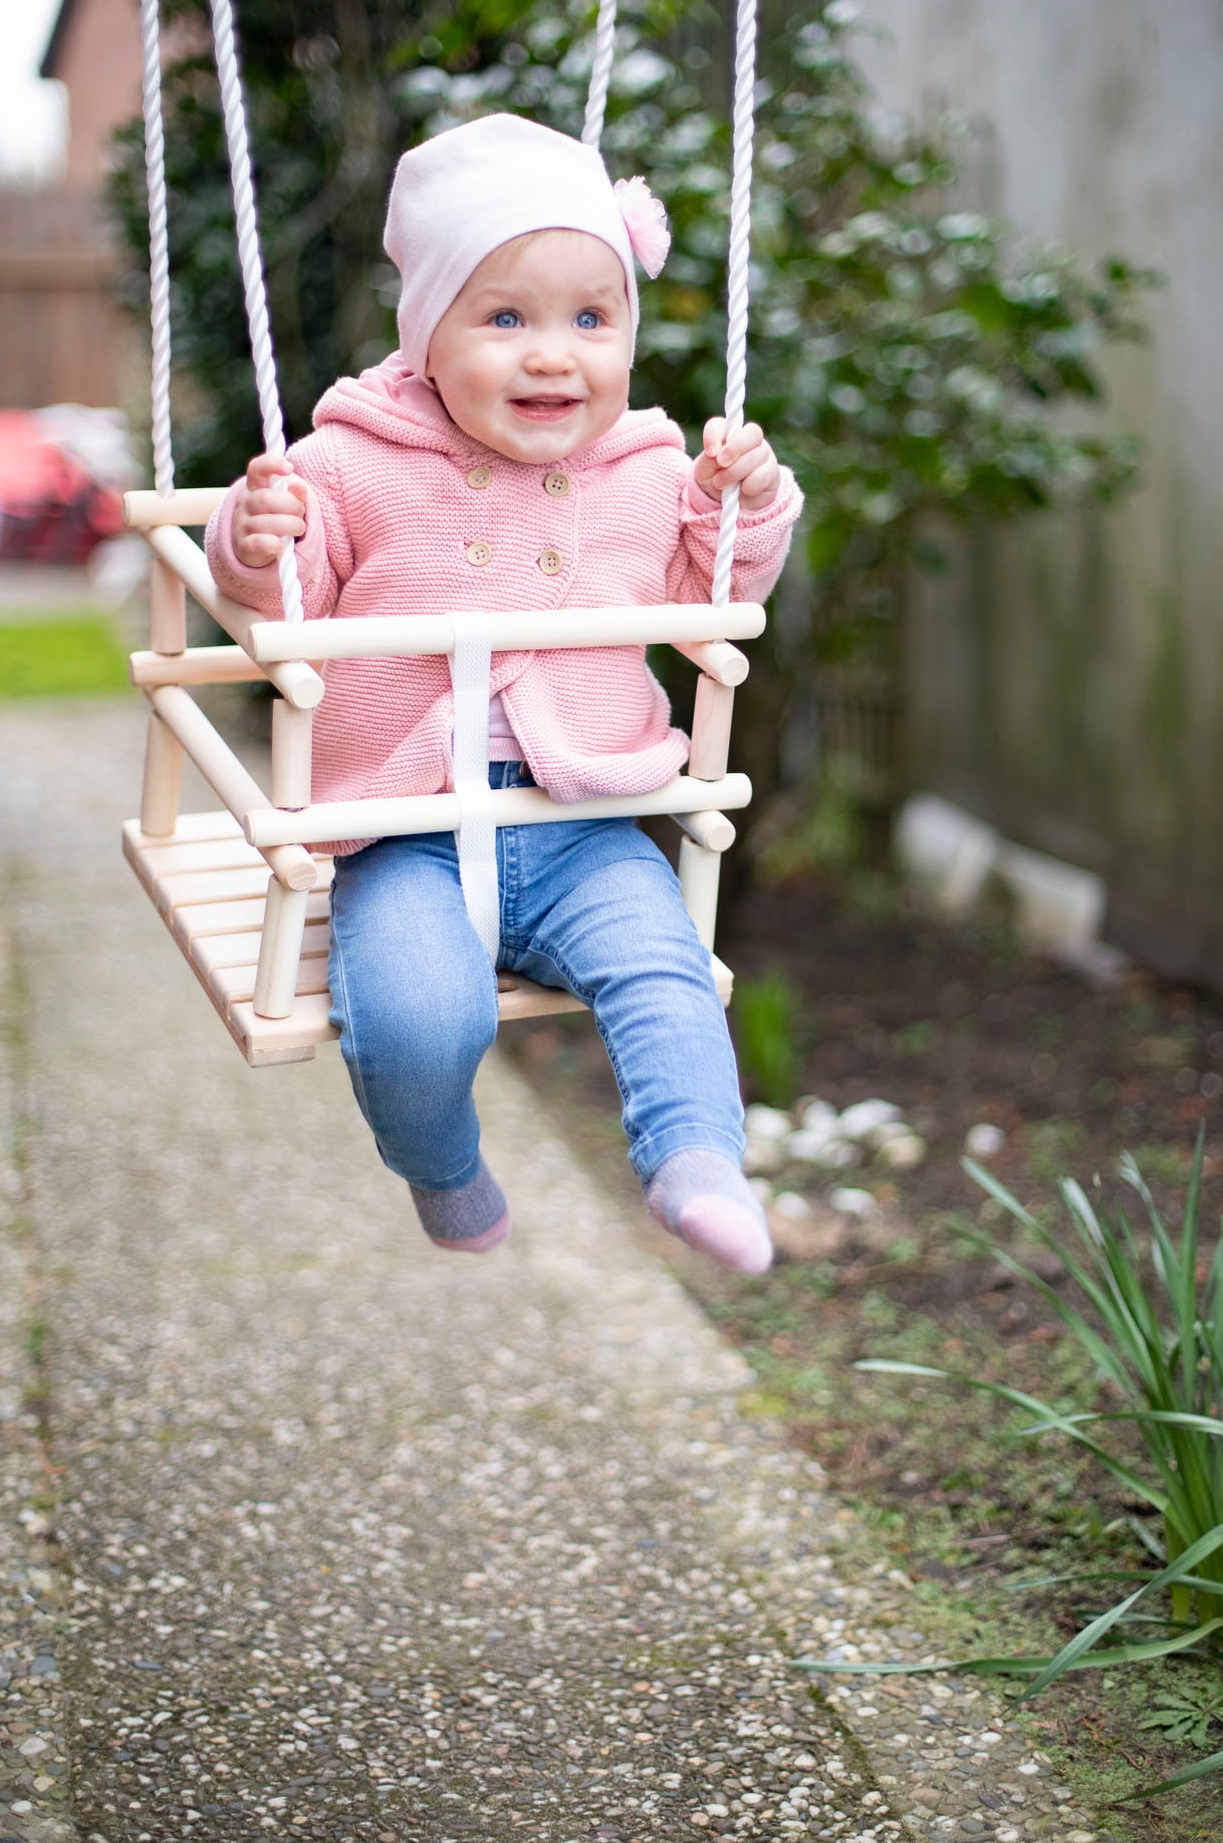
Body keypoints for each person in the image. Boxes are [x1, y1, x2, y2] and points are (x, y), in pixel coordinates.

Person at [206, 114, 801, 1274]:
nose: (553, 353)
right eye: (505, 317)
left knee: (665, 972)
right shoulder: (349, 462)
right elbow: (278, 587)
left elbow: (708, 582)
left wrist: (747, 504)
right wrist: (251, 533)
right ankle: (441, 1166)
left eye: (591, 317)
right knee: (416, 1024)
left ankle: (697, 1166)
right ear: (426, 338)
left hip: (583, 822)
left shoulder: (644, 471)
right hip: (405, 831)